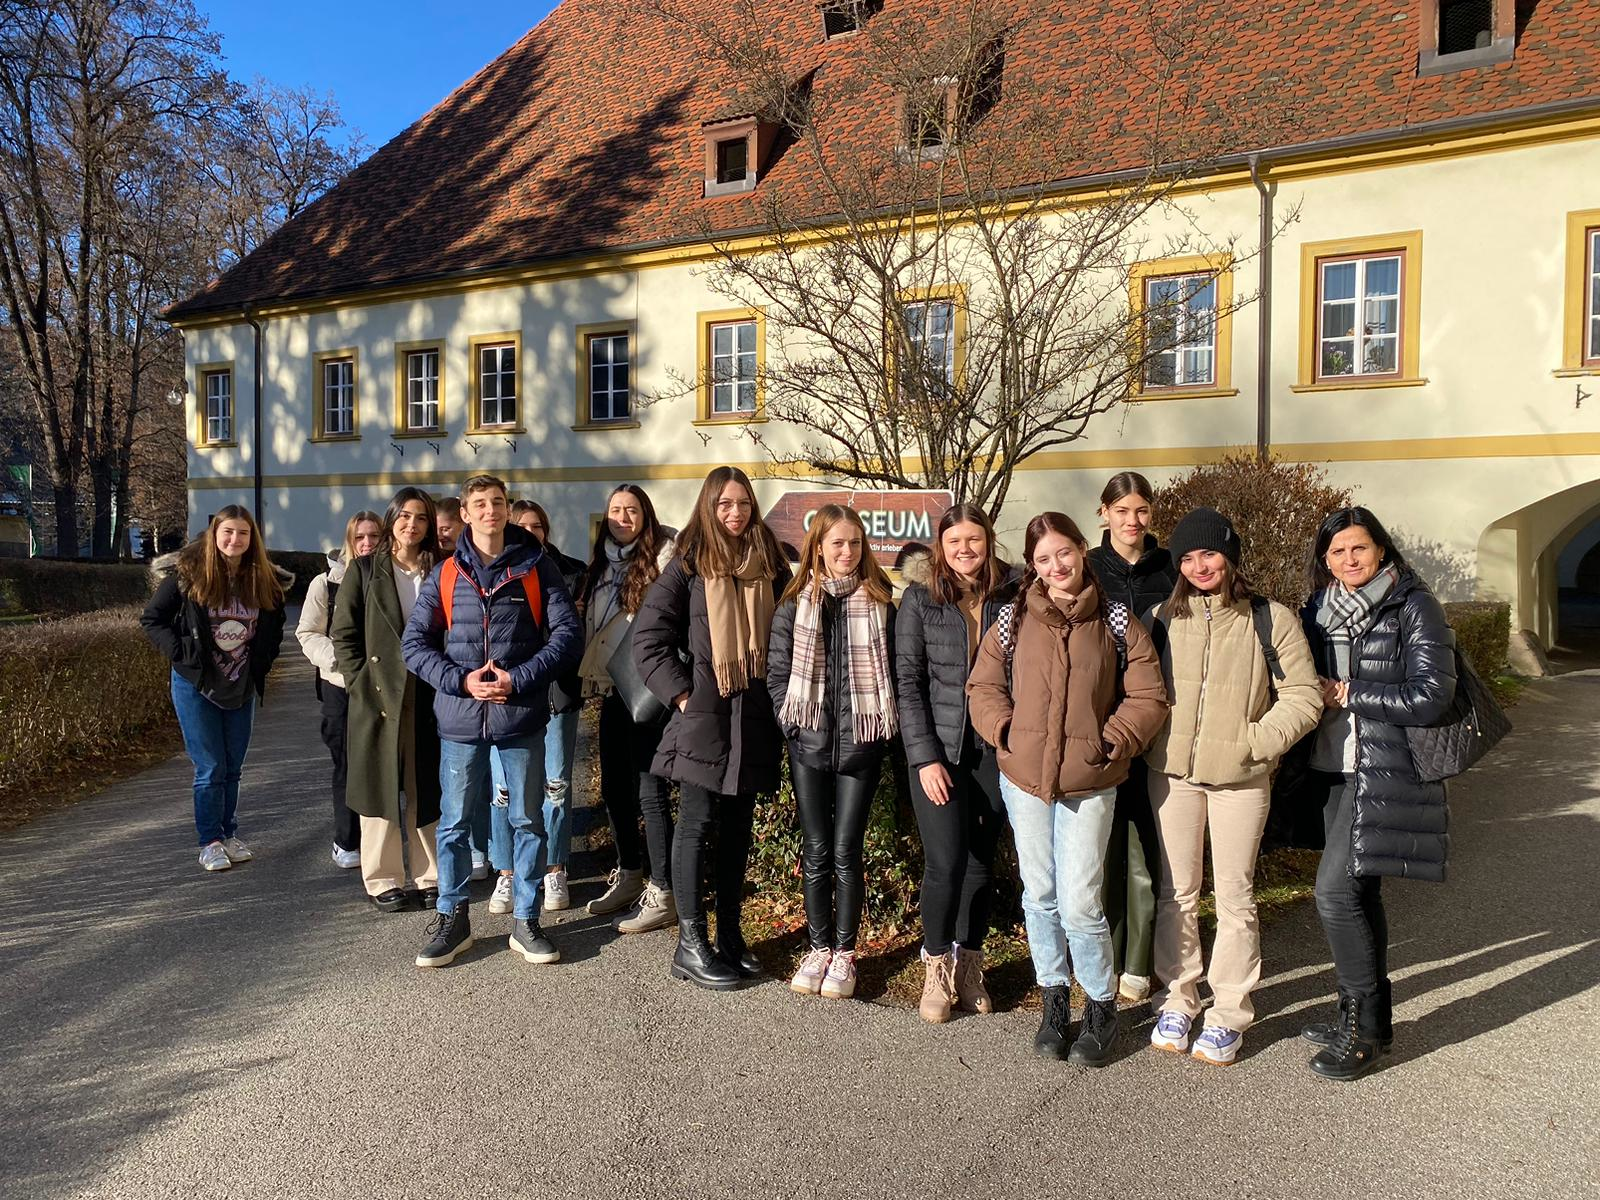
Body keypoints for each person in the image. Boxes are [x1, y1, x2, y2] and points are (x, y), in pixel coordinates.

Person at [966, 512, 1167, 1065]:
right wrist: (1004, 731)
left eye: (1064, 553)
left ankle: (1100, 1005)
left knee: (1081, 903)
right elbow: (982, 685)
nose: (1056, 566)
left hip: (1090, 780)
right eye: (1043, 559)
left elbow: (1147, 695)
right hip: (1025, 780)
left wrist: (1112, 740)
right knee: (1040, 895)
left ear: (1082, 549)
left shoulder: (1119, 621)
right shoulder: (1011, 618)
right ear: (1033, 566)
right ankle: (1055, 998)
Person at [1141, 507, 1322, 1065]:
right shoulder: (1160, 619)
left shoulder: (1272, 619)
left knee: (1237, 896)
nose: (1199, 565)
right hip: (1171, 776)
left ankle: (1229, 1011)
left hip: (1241, 779)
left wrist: (1256, 744)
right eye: (1188, 557)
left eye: (1209, 553)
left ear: (1230, 556)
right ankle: (1178, 996)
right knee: (1177, 892)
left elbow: (1304, 696)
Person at [1292, 507, 1456, 1080]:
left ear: (1382, 549)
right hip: (1331, 765)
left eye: (1359, 548)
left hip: (1382, 769)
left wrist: (1350, 692)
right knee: (1362, 895)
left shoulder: (1414, 605)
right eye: (1337, 552)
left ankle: (1363, 1033)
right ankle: (1365, 1016)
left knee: (1334, 894)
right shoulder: (1317, 609)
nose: (1349, 560)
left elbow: (1433, 695)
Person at [401, 474, 583, 968]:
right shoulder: (444, 574)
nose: (489, 512)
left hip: (519, 715)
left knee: (527, 819)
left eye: (497, 503)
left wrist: (518, 679)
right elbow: (413, 646)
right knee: (455, 824)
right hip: (460, 720)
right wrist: (462, 682)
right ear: (464, 512)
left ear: (506, 510)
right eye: (479, 504)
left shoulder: (536, 568)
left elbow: (567, 637)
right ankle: (453, 919)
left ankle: (526, 920)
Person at [632, 465, 789, 990]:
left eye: (743, 502)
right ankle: (690, 943)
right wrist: (682, 694)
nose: (735, 512)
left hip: (755, 716)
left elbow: (790, 630)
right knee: (696, 825)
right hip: (705, 716)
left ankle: (731, 936)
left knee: (738, 830)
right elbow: (647, 638)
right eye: (725, 504)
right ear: (708, 507)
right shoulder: (689, 563)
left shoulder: (769, 561)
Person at [894, 503, 1019, 1023]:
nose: (965, 550)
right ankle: (937, 966)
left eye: (974, 540)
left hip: (994, 749)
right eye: (954, 542)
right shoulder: (920, 600)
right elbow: (907, 682)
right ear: (939, 549)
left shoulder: (1013, 595)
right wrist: (923, 758)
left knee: (979, 862)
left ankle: (970, 964)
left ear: (988, 541)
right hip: (939, 753)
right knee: (944, 862)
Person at [768, 505, 899, 1001]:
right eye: (838, 543)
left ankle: (845, 954)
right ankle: (817, 947)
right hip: (809, 744)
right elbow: (777, 675)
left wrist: (881, 735)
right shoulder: (795, 604)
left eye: (855, 543)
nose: (847, 552)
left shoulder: (882, 603)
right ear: (818, 547)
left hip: (862, 745)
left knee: (847, 851)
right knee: (817, 849)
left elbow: (900, 672)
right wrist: (792, 726)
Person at [140, 505, 288, 872]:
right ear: (214, 536)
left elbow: (274, 627)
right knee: (210, 766)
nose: (234, 540)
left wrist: (262, 665)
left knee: (233, 767)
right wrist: (180, 654)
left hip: (240, 685)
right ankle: (209, 841)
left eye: (242, 533)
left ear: (252, 539)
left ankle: (229, 833)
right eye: (228, 533)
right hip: (197, 684)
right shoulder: (189, 575)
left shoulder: (263, 579)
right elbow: (153, 619)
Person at [331, 489, 446, 912]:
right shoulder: (364, 570)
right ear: (392, 519)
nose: (411, 525)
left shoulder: (442, 568)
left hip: (429, 689)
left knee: (426, 786)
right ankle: (382, 879)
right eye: (404, 516)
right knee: (379, 786)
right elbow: (343, 634)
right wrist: (359, 679)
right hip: (377, 692)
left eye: (420, 518)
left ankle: (430, 874)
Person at [1084, 472, 1175, 1004]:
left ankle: (1138, 962)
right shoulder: (1090, 570)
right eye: (1122, 511)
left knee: (1143, 843)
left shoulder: (1171, 569)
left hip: (1156, 722)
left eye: (1141, 510)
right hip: (1096, 724)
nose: (1132, 521)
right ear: (1104, 514)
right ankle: (1106, 955)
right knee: (1101, 845)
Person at [576, 484, 680, 934]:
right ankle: (630, 872)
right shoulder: (600, 565)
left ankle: (665, 890)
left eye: (632, 509)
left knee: (650, 791)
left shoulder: (663, 559)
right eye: (615, 509)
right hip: (612, 689)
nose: (623, 517)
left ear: (646, 515)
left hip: (648, 691)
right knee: (616, 790)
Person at [473, 499, 586, 913]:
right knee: (504, 791)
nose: (530, 531)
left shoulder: (572, 573)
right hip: (507, 698)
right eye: (522, 525)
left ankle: (555, 868)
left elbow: (572, 639)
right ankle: (507, 872)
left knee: (555, 785)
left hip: (556, 694)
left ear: (546, 530)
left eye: (537, 525)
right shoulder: (492, 574)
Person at [296, 511, 381, 870]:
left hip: (380, 686)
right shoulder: (325, 584)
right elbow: (307, 633)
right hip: (340, 686)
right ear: (349, 540)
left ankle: (380, 842)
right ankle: (346, 841)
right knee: (346, 764)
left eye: (373, 537)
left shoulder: (390, 578)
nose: (366, 544)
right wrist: (341, 662)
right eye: (359, 537)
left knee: (379, 765)